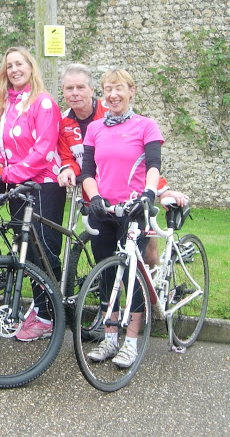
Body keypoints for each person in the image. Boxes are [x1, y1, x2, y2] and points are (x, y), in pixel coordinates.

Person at [56, 63, 187, 266]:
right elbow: (71, 160)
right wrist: (68, 170)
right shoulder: (65, 123)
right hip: (99, 200)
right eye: (69, 88)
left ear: (92, 91)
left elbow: (144, 163)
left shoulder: (123, 117)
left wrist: (159, 191)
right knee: (108, 264)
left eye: (80, 87)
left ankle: (153, 292)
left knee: (147, 256)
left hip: (135, 199)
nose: (75, 93)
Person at [80, 67, 165, 368]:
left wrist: (149, 193)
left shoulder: (146, 126)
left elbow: (153, 165)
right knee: (106, 274)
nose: (113, 95)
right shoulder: (95, 129)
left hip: (133, 211)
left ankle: (130, 342)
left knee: (132, 276)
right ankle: (110, 337)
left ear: (132, 91)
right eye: (107, 90)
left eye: (119, 89)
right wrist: (96, 197)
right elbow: (87, 172)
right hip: (104, 211)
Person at [0, 46, 66, 342]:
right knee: (26, 249)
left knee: (45, 249)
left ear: (31, 67)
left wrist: (9, 174)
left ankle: (48, 316)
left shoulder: (43, 103)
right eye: (9, 66)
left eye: (20, 64)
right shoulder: (7, 104)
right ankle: (40, 308)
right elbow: (6, 151)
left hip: (44, 184)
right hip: (18, 184)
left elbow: (42, 150)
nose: (15, 69)